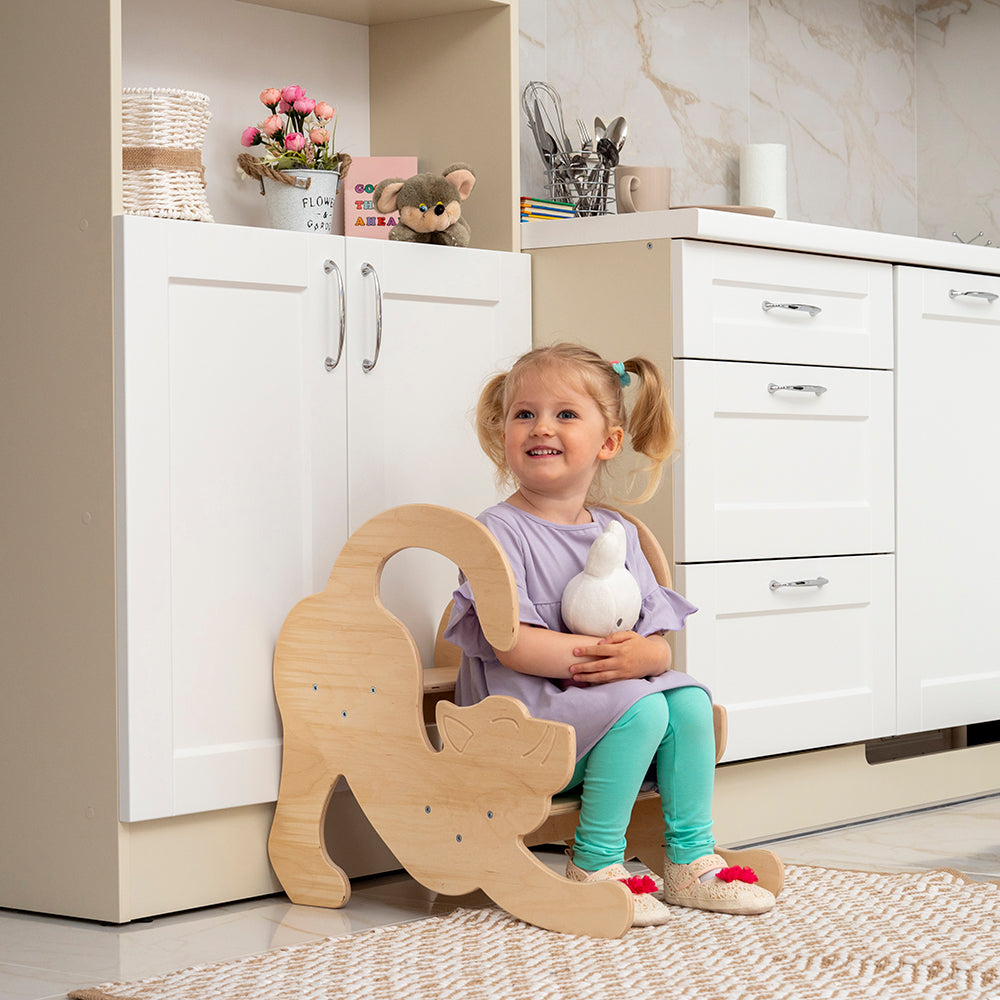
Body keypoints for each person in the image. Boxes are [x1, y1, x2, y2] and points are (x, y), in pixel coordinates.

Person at [444, 343, 775, 925]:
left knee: (690, 699)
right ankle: (594, 864)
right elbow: (511, 643)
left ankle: (690, 862)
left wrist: (646, 654)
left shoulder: (619, 532)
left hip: (599, 708)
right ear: (504, 435)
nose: (541, 426)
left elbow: (656, 643)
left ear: (608, 443)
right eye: (525, 414)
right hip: (521, 725)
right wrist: (611, 661)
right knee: (644, 708)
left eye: (565, 414)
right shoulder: (497, 531)